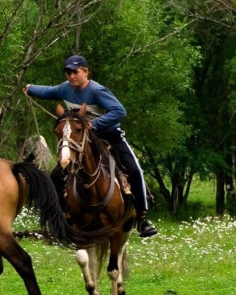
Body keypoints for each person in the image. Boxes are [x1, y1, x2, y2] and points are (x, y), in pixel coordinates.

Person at [24, 54, 158, 238]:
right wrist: (31, 89)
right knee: (56, 174)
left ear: (85, 72)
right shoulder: (65, 89)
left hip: (109, 136)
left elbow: (120, 111)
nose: (72, 76)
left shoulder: (97, 90)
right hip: (82, 140)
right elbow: (48, 91)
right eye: (68, 72)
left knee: (134, 171)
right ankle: (63, 216)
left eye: (76, 72)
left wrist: (94, 125)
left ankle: (142, 219)